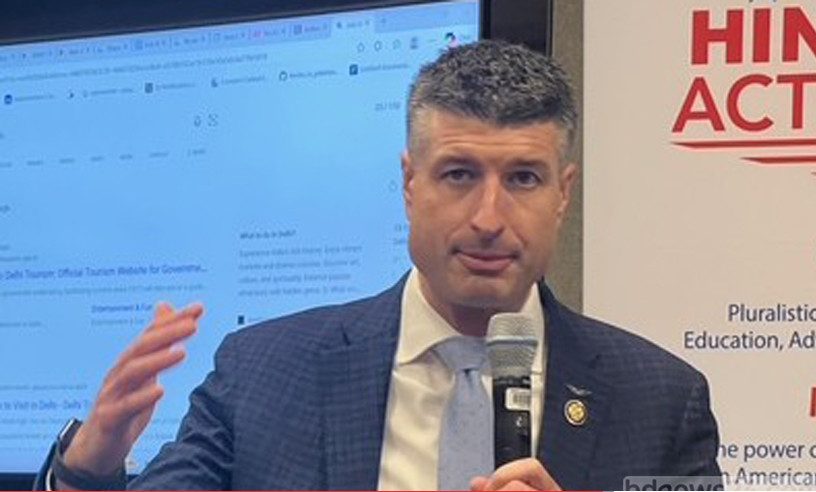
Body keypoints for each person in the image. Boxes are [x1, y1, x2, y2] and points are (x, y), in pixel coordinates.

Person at [39, 40, 721, 491]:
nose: (489, 217)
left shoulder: (659, 401)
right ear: (409, 183)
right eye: (458, 174)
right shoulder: (264, 374)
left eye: (523, 178)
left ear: (563, 194)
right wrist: (87, 470)